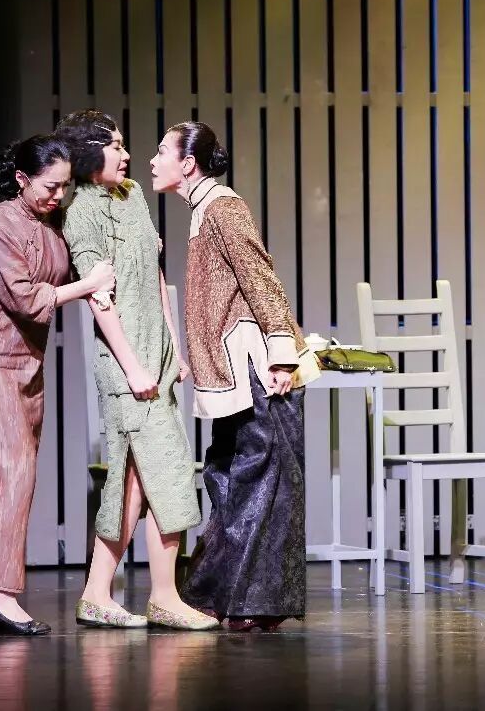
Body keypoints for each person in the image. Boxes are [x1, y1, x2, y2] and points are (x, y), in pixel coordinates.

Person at [148, 121, 320, 631]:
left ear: (188, 163)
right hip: (232, 371)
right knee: (230, 478)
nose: (153, 160)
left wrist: (282, 352)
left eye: (162, 151)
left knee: (261, 481)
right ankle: (222, 595)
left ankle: (253, 603)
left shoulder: (224, 207)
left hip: (256, 368)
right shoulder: (204, 209)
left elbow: (260, 276)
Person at [0, 134, 115, 635]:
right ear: (21, 179)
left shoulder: (50, 223)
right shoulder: (0, 227)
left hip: (25, 362)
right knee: (3, 473)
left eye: (65, 187)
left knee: (4, 476)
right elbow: (25, 298)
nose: (58, 196)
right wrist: (86, 287)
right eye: (49, 187)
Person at [56, 110, 216, 631]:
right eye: (116, 146)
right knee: (166, 472)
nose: (127, 156)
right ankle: (162, 596)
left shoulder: (132, 196)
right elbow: (100, 301)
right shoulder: (81, 211)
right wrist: (134, 368)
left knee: (133, 483)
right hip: (126, 365)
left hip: (155, 358)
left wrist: (173, 347)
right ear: (88, 153)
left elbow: (154, 275)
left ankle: (98, 593)